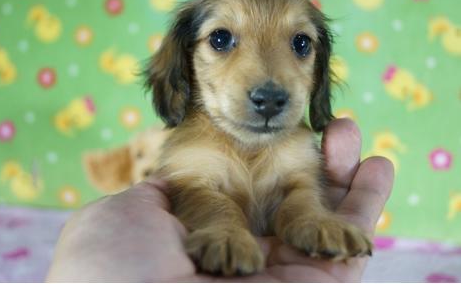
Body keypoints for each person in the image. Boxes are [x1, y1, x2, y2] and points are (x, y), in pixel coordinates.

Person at [46, 118, 394, 282]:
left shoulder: (297, 141)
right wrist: (221, 225)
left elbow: (299, 187)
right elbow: (197, 190)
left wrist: (308, 217)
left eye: (299, 44)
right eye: (222, 40)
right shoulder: (186, 141)